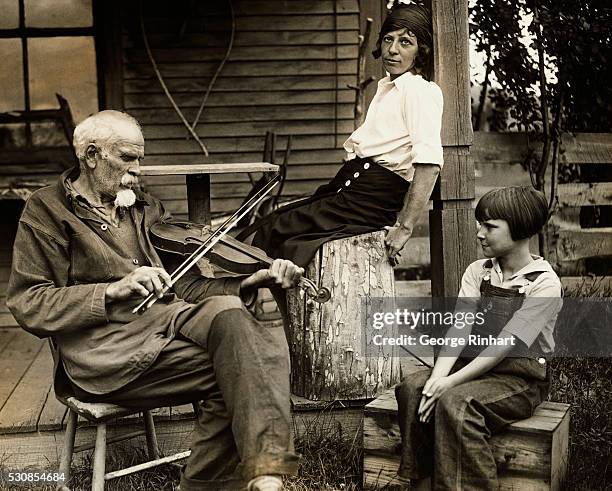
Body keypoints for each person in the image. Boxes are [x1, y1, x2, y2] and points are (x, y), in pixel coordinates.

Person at [7, 110, 305, 491]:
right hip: (104, 353)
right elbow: (29, 302)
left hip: (167, 326)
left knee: (233, 319)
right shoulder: (46, 211)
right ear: (92, 155)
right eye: (127, 159)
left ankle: (264, 477)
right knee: (248, 363)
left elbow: (186, 288)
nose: (137, 171)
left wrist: (250, 280)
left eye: (140, 160)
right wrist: (112, 290)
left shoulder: (144, 207)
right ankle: (235, 480)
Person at [239, 2, 443, 269]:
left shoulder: (418, 91)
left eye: (406, 42)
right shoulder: (388, 88)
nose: (393, 50)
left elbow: (429, 164)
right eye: (388, 40)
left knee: (275, 233)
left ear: (421, 52)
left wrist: (404, 228)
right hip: (349, 188)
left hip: (370, 200)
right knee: (270, 225)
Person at [395, 186, 563, 490]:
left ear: (521, 229)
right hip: (470, 365)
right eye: (479, 224)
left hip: (518, 380)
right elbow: (460, 327)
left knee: (456, 403)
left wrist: (449, 384)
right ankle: (422, 482)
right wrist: (438, 378)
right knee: (413, 388)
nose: (479, 233)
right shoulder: (478, 272)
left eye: (490, 226)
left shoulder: (543, 284)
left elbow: (504, 345)